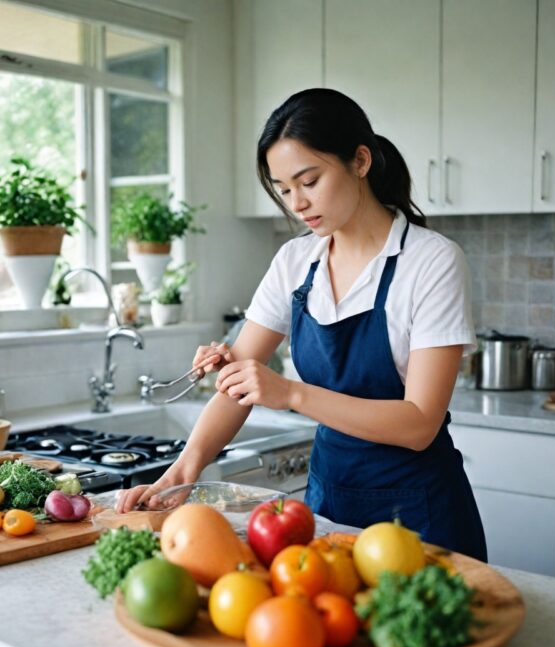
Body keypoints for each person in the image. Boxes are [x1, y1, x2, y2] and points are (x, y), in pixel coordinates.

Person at [117, 88, 487, 561]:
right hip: (328, 510)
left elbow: (419, 423)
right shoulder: (295, 262)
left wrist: (290, 393)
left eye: (309, 181)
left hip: (419, 519)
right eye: (284, 189)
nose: (297, 203)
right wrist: (182, 472)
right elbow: (239, 382)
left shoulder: (431, 261)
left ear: (360, 160)